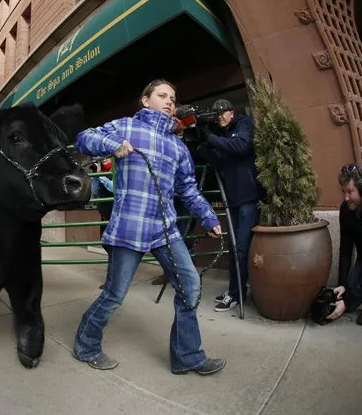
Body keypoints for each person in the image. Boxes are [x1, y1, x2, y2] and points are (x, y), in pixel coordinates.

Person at [71, 79, 226, 375]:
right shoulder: (126, 126)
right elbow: (83, 138)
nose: (169, 101)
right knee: (114, 294)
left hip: (164, 229)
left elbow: (188, 189)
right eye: (162, 95)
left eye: (173, 97)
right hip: (129, 227)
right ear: (145, 100)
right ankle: (86, 345)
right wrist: (112, 144)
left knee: (190, 286)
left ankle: (187, 356)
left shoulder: (178, 146)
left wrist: (208, 216)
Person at [197, 99, 263, 312]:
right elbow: (218, 161)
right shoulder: (223, 135)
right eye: (216, 115)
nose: (219, 117)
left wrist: (212, 138)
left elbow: (242, 146)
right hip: (233, 200)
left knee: (242, 249)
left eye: (222, 113)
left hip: (248, 199)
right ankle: (235, 291)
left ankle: (237, 293)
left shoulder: (244, 124)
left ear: (232, 112)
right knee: (235, 248)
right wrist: (203, 143)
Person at [325, 164, 362, 325]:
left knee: (353, 298)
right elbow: (345, 250)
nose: (346, 197)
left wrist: (349, 299)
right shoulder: (346, 210)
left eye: (350, 192)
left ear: (361, 188)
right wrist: (343, 285)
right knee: (350, 300)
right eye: (343, 192)